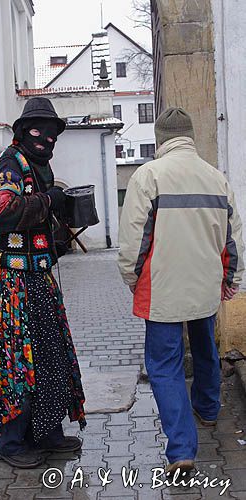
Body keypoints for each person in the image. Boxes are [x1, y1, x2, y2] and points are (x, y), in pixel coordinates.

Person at [118, 107, 245, 475]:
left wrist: (131, 276)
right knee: (206, 350)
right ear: (191, 136)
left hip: (162, 290)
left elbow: (132, 241)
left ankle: (181, 450)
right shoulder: (216, 178)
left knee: (164, 366)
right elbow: (232, 238)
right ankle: (207, 410)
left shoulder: (147, 177)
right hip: (204, 286)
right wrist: (230, 278)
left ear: (160, 139)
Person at [0, 97, 86, 469]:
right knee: (17, 361)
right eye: (38, 130)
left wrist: (64, 220)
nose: (46, 138)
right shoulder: (8, 165)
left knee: (50, 357)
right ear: (22, 132)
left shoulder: (39, 166)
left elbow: (37, 222)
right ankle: (8, 441)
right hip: (12, 283)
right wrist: (47, 201)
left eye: (52, 132)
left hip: (38, 277)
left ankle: (45, 432)